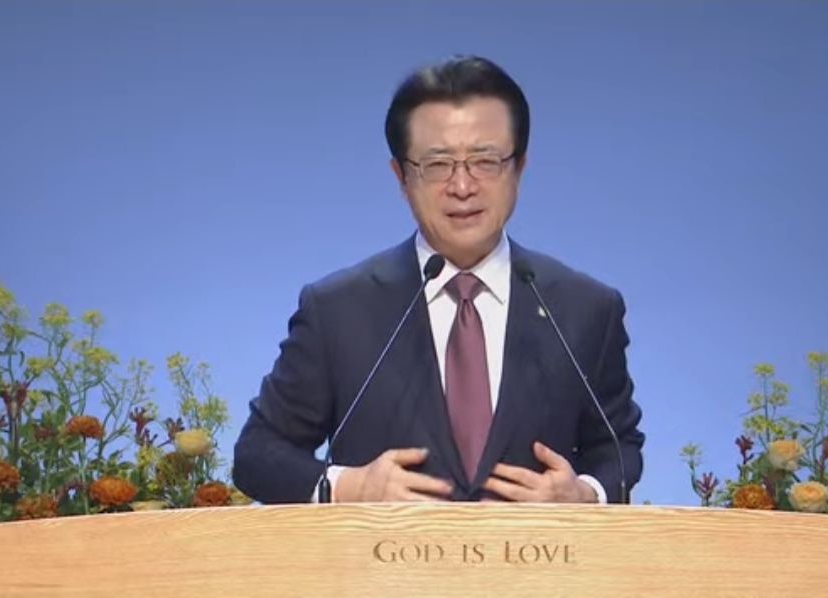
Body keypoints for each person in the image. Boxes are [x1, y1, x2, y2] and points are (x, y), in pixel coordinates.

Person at [232, 55, 644, 504]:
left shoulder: (585, 308)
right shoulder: (337, 311)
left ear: (518, 169)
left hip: (536, 552)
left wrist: (584, 494)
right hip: (383, 553)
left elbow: (618, 449)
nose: (462, 187)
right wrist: (348, 486)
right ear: (402, 177)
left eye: (485, 161)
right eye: (437, 164)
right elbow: (257, 454)